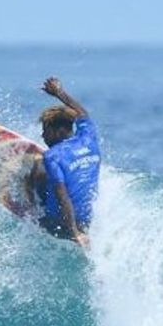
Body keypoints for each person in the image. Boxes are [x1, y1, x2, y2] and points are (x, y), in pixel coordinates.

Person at [32, 76, 101, 246]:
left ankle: (31, 191)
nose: (42, 136)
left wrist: (74, 234)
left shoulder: (53, 156)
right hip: (87, 219)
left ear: (58, 131)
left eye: (45, 131)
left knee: (37, 171)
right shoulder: (89, 139)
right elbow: (82, 113)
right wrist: (59, 92)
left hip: (60, 223)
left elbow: (62, 196)